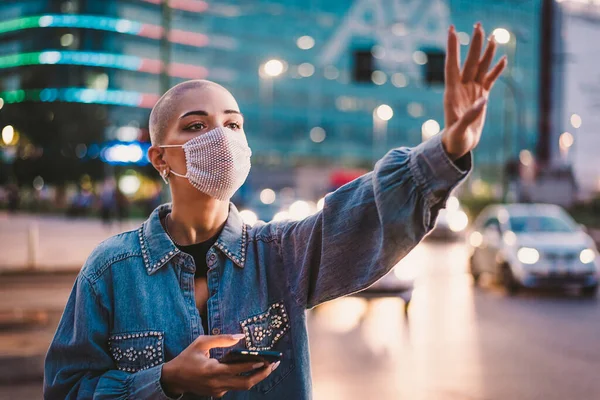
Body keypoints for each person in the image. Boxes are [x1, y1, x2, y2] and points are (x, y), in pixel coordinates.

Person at [44, 24, 506, 399]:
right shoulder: (110, 271)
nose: (219, 137)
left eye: (232, 124)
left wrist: (449, 149)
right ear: (160, 157)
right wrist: (164, 381)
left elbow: (363, 217)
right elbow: (66, 390)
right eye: (196, 125)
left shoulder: (280, 254)